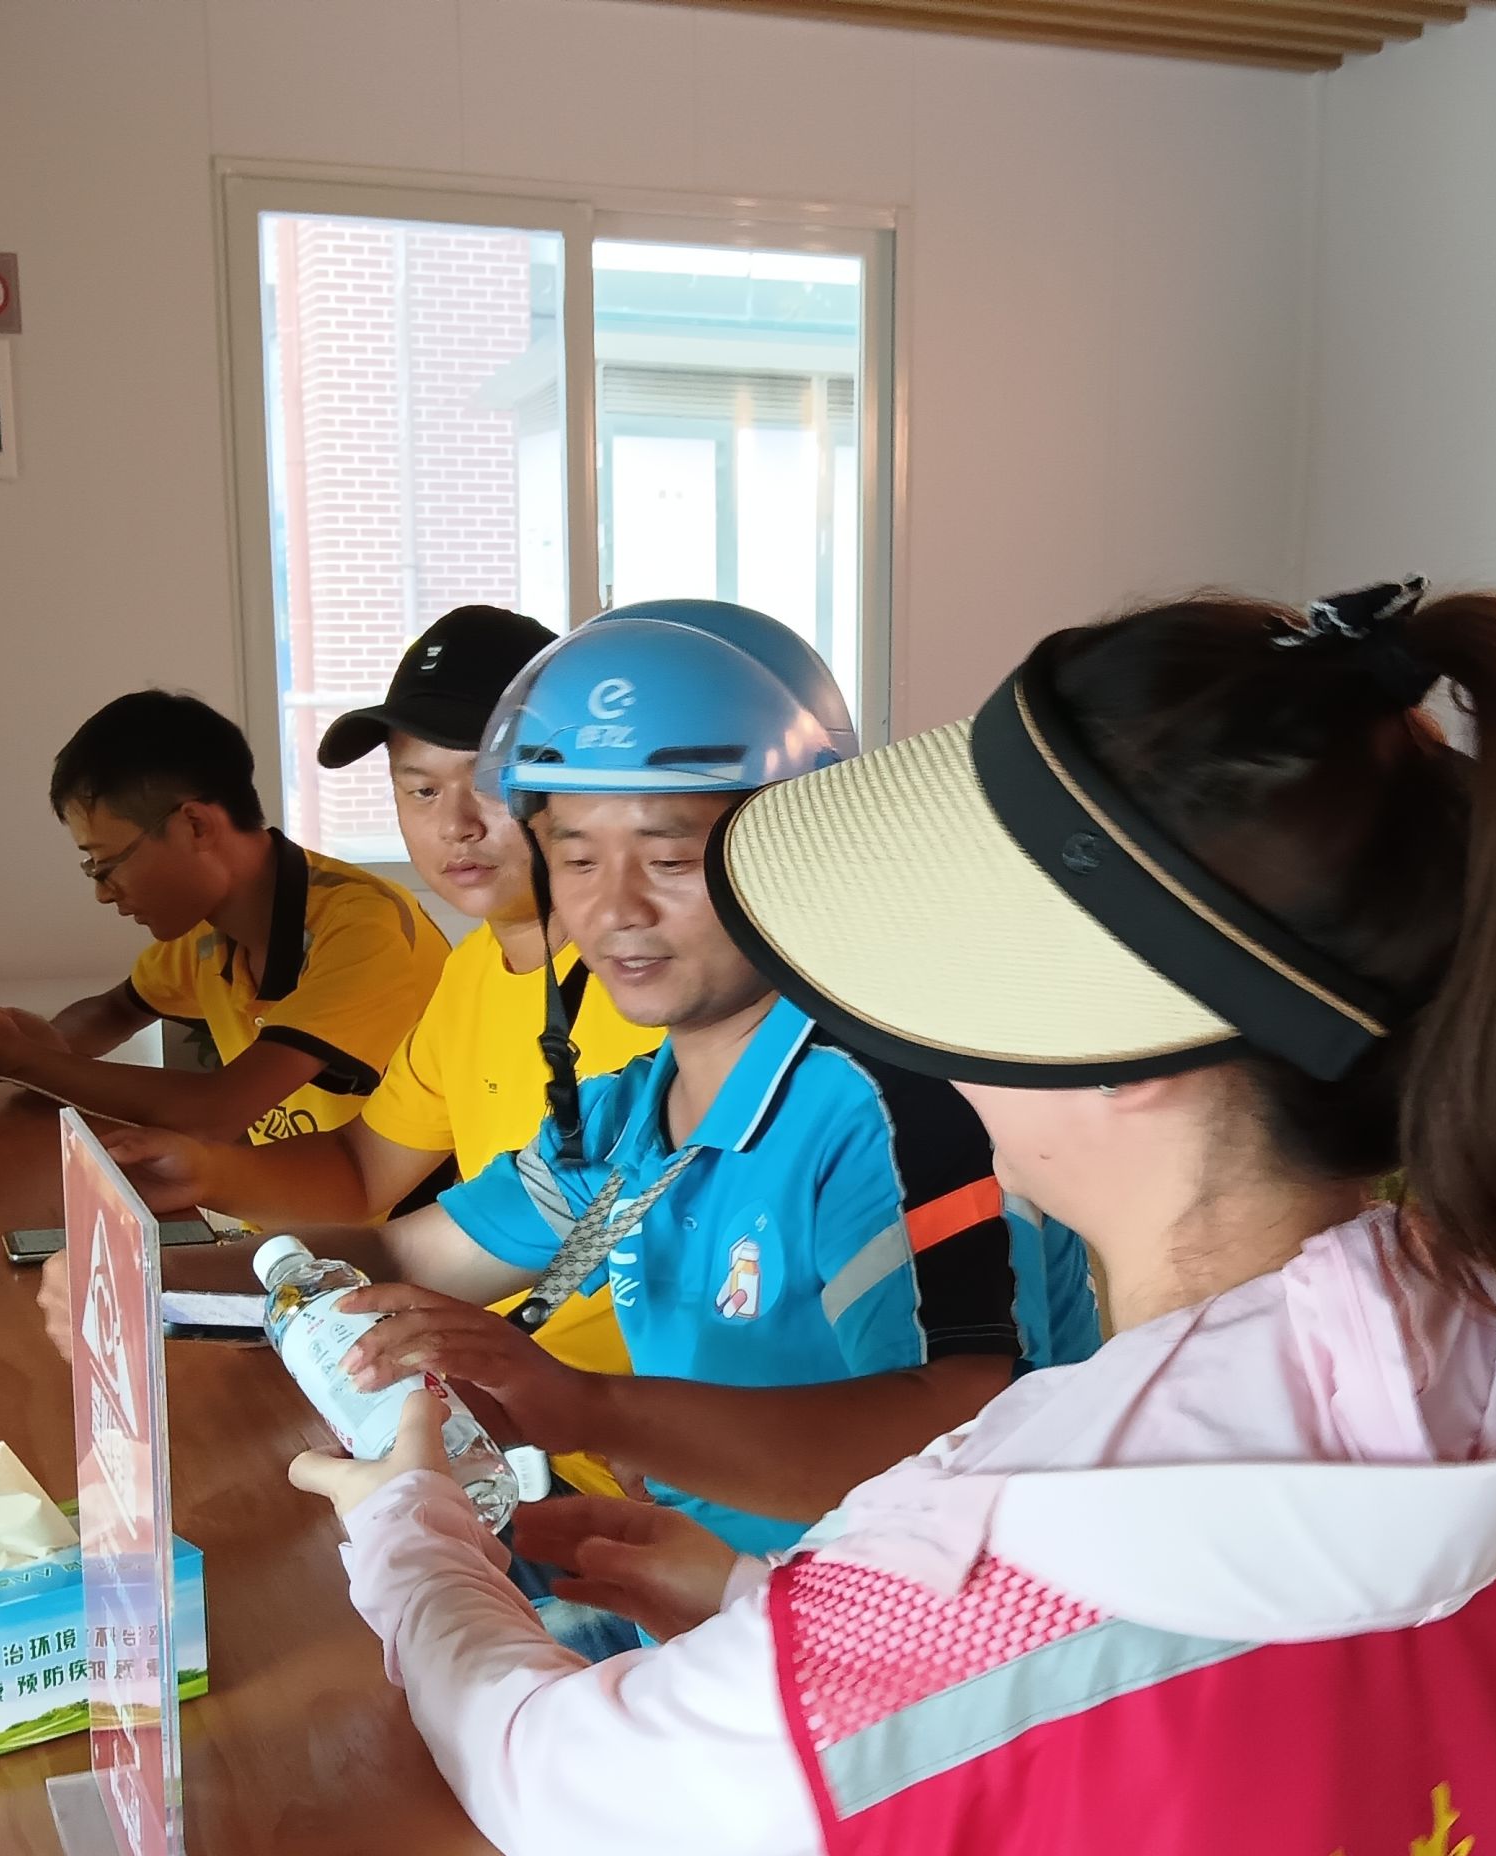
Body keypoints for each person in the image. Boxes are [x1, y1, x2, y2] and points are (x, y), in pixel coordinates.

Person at [291, 583, 1496, 1856]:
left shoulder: (981, 1535)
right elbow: (1208, 1730)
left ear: (1120, 1029)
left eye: (960, 948)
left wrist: (409, 1526)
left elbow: (554, 1785)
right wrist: (763, 1606)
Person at [203, 598, 1096, 1580]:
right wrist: (145, 1280)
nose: (614, 907)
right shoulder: (631, 1117)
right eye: (576, 857)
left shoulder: (890, 1106)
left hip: (891, 1619)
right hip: (704, 1584)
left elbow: (956, 1429)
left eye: (668, 857)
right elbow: (404, 1251)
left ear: (798, 852)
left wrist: (588, 1408)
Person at [105, 605, 662, 1499]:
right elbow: (368, 1178)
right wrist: (205, 1178)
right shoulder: (475, 973)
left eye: (489, 781)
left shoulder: (667, 1004)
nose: (457, 824)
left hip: (625, 1474)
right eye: (421, 790)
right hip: (491, 1430)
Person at [0, 688, 447, 1141]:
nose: (103, 894)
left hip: (392, 1227)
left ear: (195, 826)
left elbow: (218, 1110)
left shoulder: (364, 928)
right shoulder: (208, 936)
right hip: (282, 1217)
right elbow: (114, 1011)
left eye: (106, 865)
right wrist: (36, 1045)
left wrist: (24, 1062)